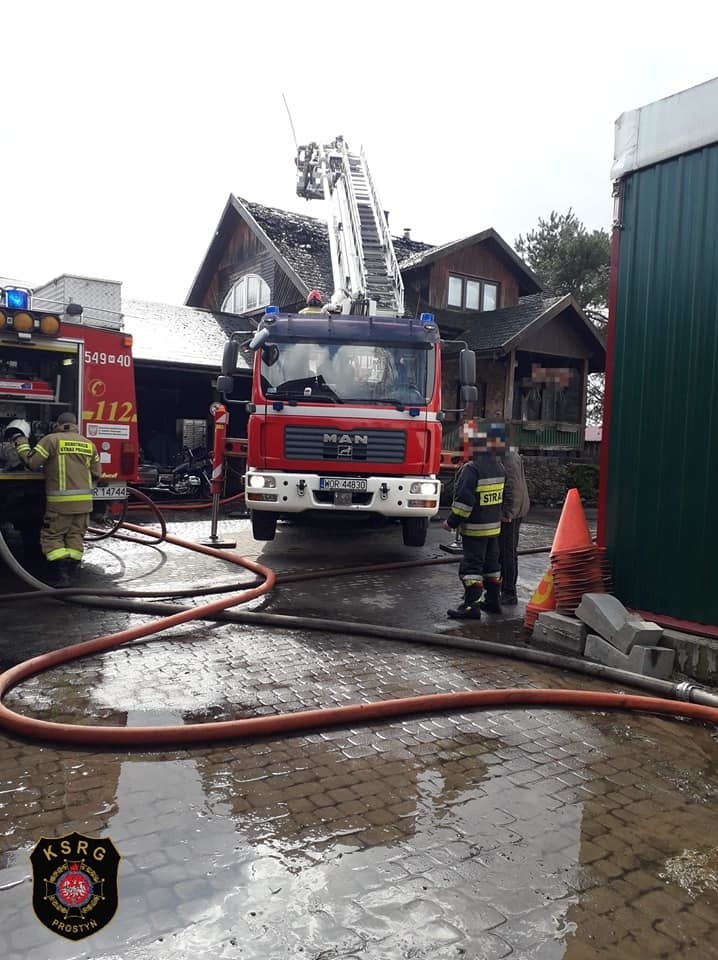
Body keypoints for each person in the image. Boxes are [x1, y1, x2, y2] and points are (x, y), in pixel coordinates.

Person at [15, 411, 101, 586]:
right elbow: (97, 473)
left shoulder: (51, 440)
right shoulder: (88, 444)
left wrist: (21, 443)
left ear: (58, 424)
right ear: (75, 424)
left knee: (53, 536)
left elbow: (33, 464)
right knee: (75, 536)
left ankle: (60, 575)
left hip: (60, 504)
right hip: (85, 504)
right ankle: (71, 570)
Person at [442, 425, 506, 619]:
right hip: (493, 529)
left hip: (475, 530)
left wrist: (451, 522)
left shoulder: (472, 469)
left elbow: (464, 502)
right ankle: (494, 601)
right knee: (492, 566)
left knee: (471, 568)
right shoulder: (499, 467)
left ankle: (471, 607)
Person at [498, 431, 531, 605]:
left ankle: (509, 592)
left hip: (512, 513)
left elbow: (513, 486)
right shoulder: (511, 454)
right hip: (517, 510)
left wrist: (508, 512)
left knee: (507, 552)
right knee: (507, 551)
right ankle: (504, 587)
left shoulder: (507, 457)